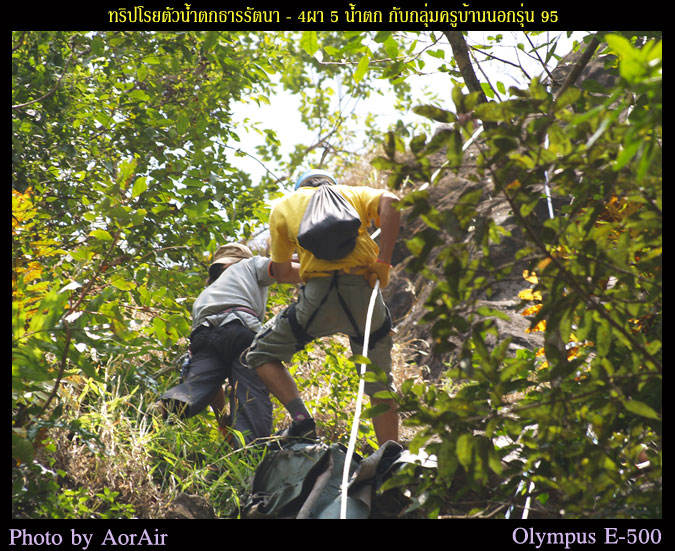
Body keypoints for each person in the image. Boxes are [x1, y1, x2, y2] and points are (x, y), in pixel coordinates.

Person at [246, 170, 401, 447]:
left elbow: (281, 272)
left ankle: (302, 420)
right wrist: (384, 261)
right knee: (380, 383)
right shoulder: (350, 193)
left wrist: (310, 267)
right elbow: (391, 202)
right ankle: (391, 454)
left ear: (300, 187)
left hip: (316, 298)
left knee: (261, 353)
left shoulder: (285, 205)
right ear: (330, 183)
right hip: (364, 292)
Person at [158, 242, 301, 447]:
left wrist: (222, 422)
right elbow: (283, 267)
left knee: (195, 386)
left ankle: (158, 411)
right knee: (251, 392)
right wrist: (322, 270)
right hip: (239, 329)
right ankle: (249, 453)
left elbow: (212, 385)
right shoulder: (249, 265)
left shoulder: (207, 292)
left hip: (203, 336)